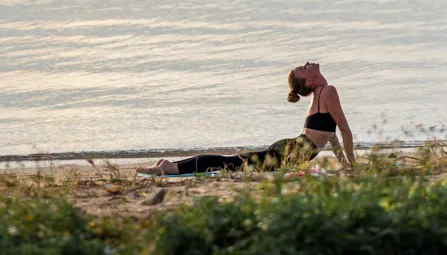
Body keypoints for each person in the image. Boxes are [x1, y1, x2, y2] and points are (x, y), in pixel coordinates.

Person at [145, 60, 355, 175]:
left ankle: (169, 164)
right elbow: (344, 130)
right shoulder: (328, 91)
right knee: (230, 164)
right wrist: (352, 166)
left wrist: (347, 164)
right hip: (286, 152)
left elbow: (332, 137)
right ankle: (171, 167)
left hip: (289, 149)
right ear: (309, 81)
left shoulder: (321, 96)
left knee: (233, 162)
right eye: (303, 68)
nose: (307, 63)